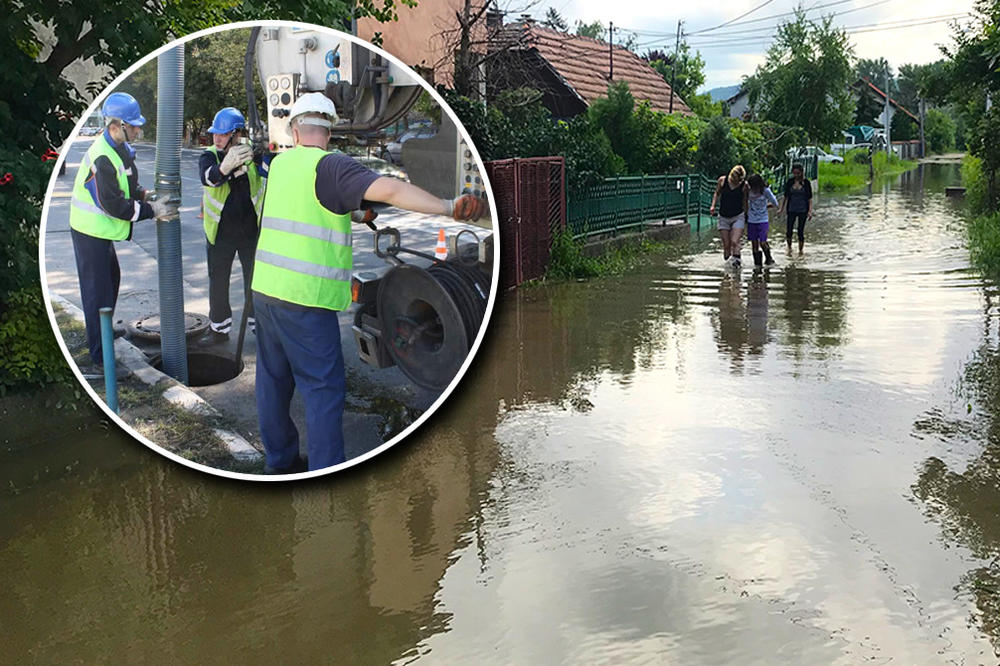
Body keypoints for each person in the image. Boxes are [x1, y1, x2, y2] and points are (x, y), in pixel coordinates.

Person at [251, 93, 488, 474]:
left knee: (273, 383)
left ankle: (279, 463)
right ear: (329, 132)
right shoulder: (331, 166)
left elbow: (303, 204)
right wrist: (448, 206)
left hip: (265, 293)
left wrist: (355, 211)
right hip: (307, 302)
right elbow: (391, 190)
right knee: (322, 390)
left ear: (296, 131)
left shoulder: (280, 165)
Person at [69, 91, 169, 375]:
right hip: (89, 232)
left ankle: (104, 333)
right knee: (96, 292)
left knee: (112, 279)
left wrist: (142, 193)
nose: (139, 129)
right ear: (116, 125)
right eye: (134, 125)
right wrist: (153, 210)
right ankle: (100, 359)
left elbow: (126, 182)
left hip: (100, 232)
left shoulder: (119, 148)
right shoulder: (101, 157)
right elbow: (115, 206)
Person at [199, 107, 267, 344]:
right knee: (218, 281)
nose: (217, 138)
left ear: (237, 134)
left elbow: (270, 172)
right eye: (215, 133)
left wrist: (263, 156)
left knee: (256, 282)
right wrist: (224, 167)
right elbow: (208, 177)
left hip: (250, 233)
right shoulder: (209, 155)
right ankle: (219, 329)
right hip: (220, 234)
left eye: (223, 133)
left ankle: (259, 327)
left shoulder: (252, 155)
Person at [709, 165, 748, 267]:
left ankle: (736, 268)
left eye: (739, 180)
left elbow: (745, 201)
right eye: (735, 180)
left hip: (738, 216)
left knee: (735, 241)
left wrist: (747, 215)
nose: (737, 182)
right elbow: (716, 193)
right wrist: (713, 206)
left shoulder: (744, 185)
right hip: (723, 216)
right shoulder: (722, 181)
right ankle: (728, 269)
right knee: (727, 246)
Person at [778, 162, 813, 254]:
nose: (796, 175)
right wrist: (781, 208)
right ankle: (789, 248)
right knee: (789, 230)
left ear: (801, 172)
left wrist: (810, 211)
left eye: (798, 173)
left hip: (802, 210)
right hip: (791, 209)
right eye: (794, 173)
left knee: (800, 231)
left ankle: (801, 251)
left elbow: (810, 198)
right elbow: (785, 196)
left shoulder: (806, 183)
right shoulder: (790, 182)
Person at [745, 174, 778, 268]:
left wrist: (765, 206)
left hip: (763, 220)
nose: (754, 189)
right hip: (752, 220)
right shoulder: (748, 190)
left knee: (763, 242)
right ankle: (757, 265)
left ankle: (769, 258)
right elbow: (744, 201)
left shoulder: (765, 191)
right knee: (754, 244)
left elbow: (775, 202)